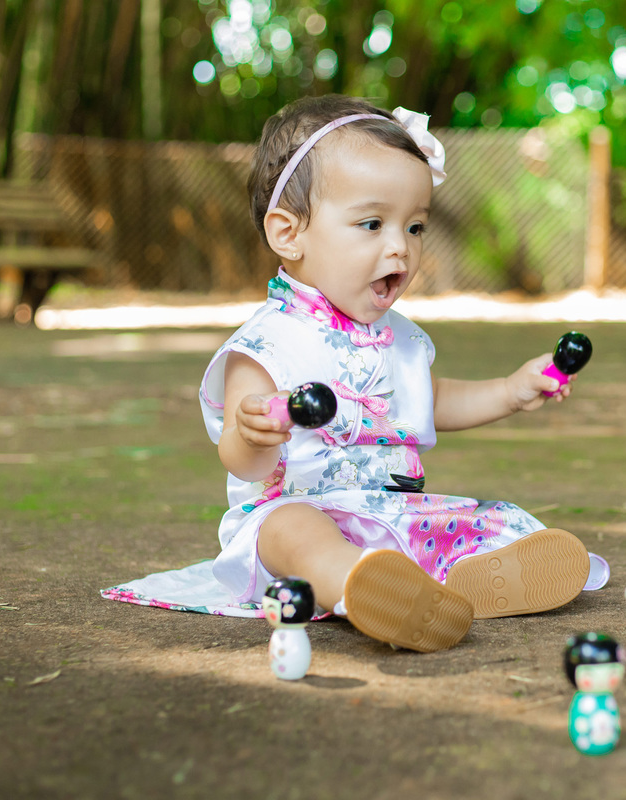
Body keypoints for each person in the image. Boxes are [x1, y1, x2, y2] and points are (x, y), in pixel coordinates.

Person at [199, 95, 603, 654]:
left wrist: (510, 391)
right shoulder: (267, 344)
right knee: (294, 531)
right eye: (372, 223)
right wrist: (253, 434)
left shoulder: (400, 337)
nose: (401, 248)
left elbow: (429, 402)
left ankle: (459, 578)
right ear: (289, 233)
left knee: (466, 519)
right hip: (292, 510)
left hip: (388, 513)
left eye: (414, 227)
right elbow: (239, 459)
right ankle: (356, 584)